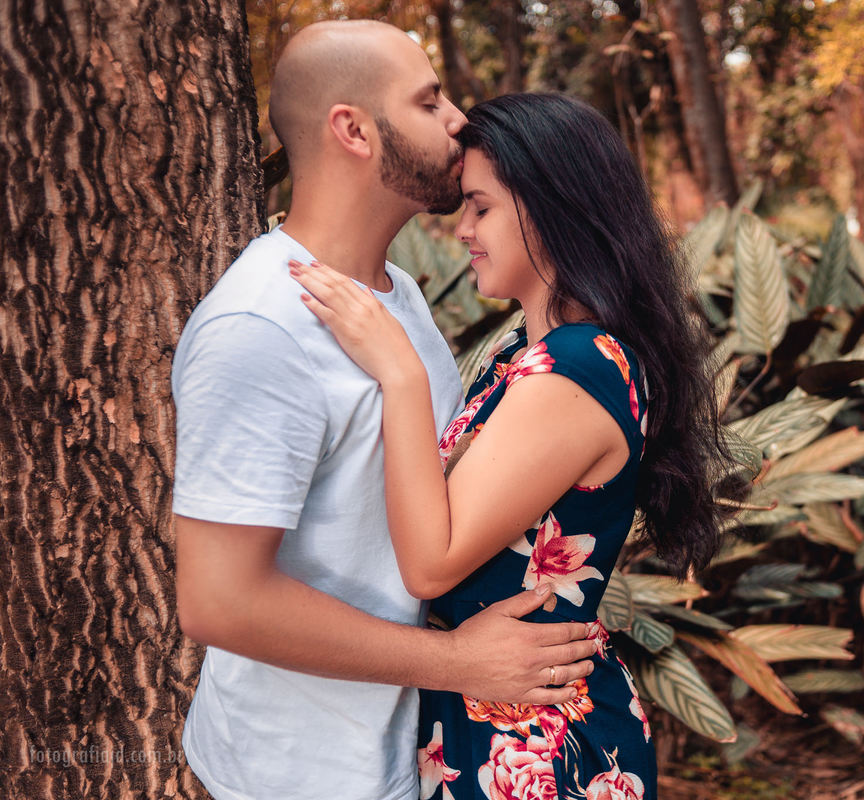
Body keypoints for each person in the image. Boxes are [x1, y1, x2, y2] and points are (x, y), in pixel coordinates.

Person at [171, 23, 598, 800]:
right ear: (354, 130)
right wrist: (458, 663)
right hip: (300, 773)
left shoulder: (395, 298)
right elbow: (217, 600)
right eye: (430, 101)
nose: (458, 119)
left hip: (410, 753)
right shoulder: (263, 325)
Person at [289, 92, 737, 800]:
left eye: (481, 206)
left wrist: (399, 370)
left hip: (534, 743)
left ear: (552, 208)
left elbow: (431, 563)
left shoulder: (580, 368)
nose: (462, 229)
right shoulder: (524, 353)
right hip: (491, 709)